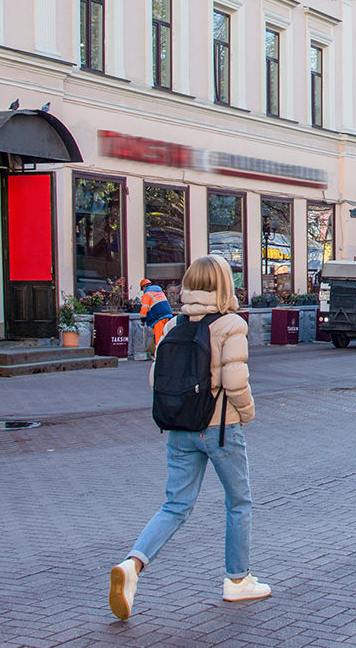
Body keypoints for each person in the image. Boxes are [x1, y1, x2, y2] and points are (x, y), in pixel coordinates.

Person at [110, 255, 267, 620]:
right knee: (238, 502)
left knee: (175, 505)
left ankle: (132, 565)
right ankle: (237, 580)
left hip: (180, 428)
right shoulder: (231, 324)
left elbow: (155, 381)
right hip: (219, 429)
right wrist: (246, 412)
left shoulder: (174, 325)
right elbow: (234, 382)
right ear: (224, 285)